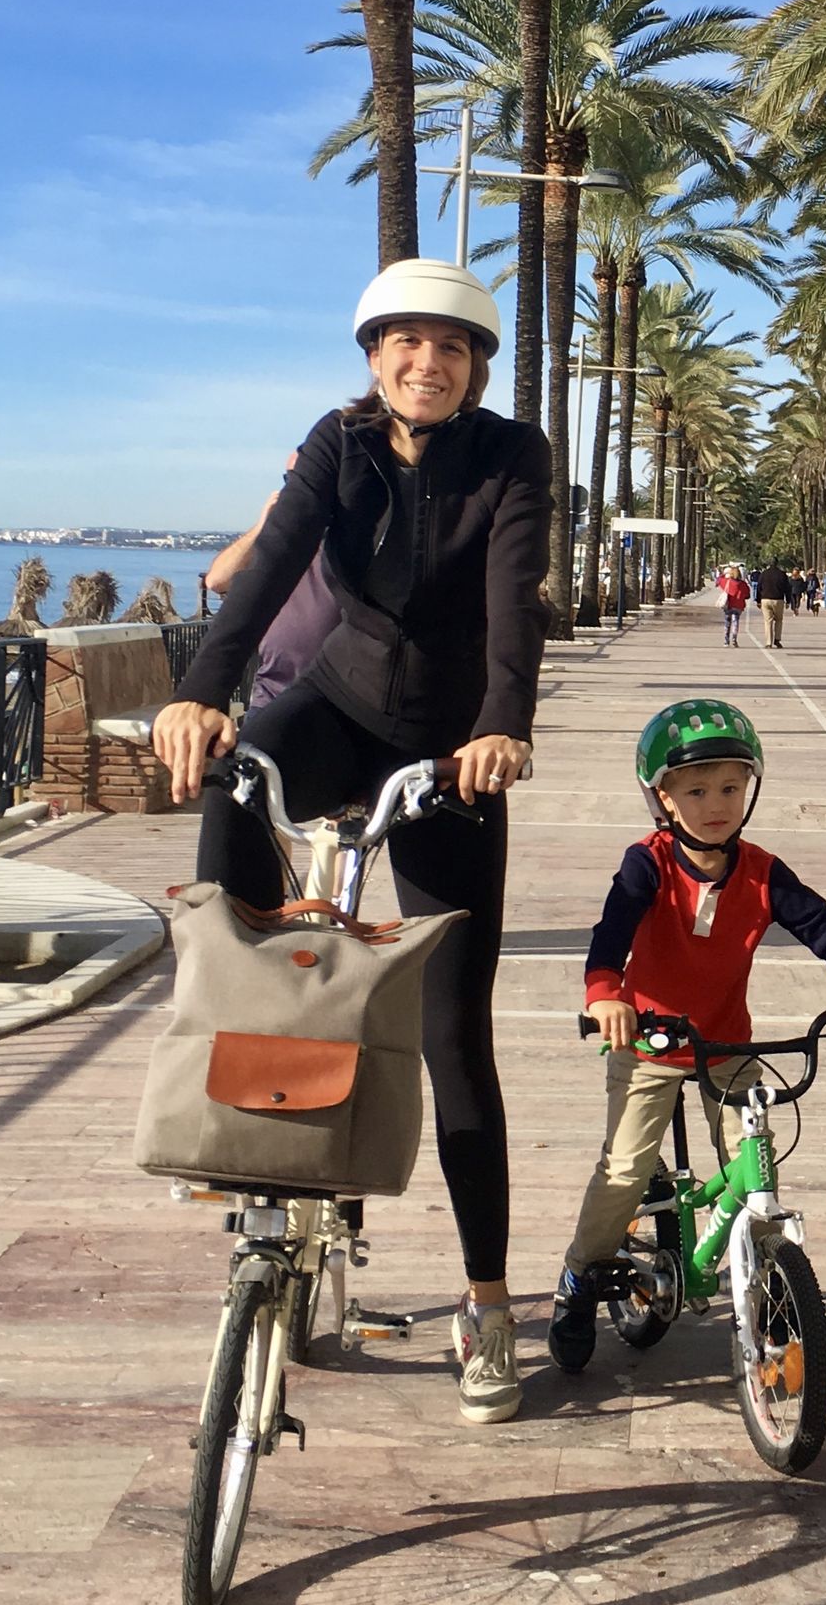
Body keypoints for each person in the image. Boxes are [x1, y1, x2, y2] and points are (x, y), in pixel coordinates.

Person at [152, 260, 551, 1427]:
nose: (429, 362)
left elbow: (515, 601)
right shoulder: (340, 442)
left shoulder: (510, 457)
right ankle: (228, 1010)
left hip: (449, 744)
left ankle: (486, 1303)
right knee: (236, 776)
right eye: (406, 342)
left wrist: (502, 727)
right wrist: (202, 691)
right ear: (375, 357)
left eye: (453, 346)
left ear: (476, 368)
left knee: (454, 1032)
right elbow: (271, 564)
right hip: (337, 704)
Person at [549, 700, 826, 1368]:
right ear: (664, 798)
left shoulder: (762, 871)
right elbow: (611, 931)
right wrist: (605, 995)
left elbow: (821, 925)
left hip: (728, 1046)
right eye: (697, 790)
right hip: (648, 1043)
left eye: (731, 788)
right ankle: (579, 1275)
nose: (717, 804)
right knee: (624, 1170)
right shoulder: (648, 863)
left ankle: (761, 1274)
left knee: (753, 1155)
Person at [205, 452, 346, 710]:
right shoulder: (274, 547)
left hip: (339, 703)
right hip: (272, 696)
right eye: (292, 479)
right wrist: (264, 525)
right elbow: (217, 580)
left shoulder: (351, 540)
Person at [752, 556, 789, 648]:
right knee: (779, 620)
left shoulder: (764, 574)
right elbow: (787, 588)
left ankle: (768, 642)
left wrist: (758, 600)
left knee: (768, 621)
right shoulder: (782, 574)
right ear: (777, 563)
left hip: (765, 599)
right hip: (778, 599)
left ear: (769, 563)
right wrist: (788, 601)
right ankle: (777, 639)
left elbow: (759, 587)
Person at [718, 563, 750, 649]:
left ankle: (726, 641)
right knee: (735, 621)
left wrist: (724, 573)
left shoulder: (727, 582)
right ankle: (734, 639)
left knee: (727, 622)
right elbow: (747, 595)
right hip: (738, 605)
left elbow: (718, 580)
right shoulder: (743, 584)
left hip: (728, 604)